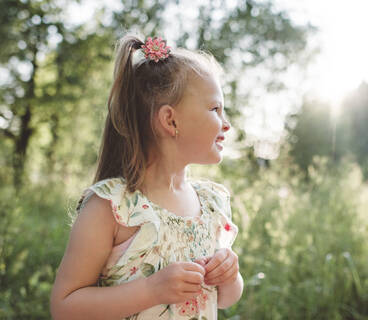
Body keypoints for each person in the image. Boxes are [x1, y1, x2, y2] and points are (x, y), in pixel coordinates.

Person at [50, 34, 243, 319]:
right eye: (215, 109)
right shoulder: (113, 207)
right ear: (170, 120)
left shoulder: (212, 203)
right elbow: (64, 307)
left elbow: (225, 299)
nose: (226, 124)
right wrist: (152, 290)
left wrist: (229, 276)